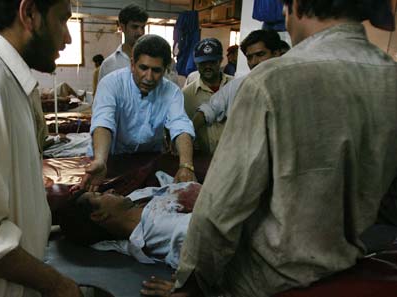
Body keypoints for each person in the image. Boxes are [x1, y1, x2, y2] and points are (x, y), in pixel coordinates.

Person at [142, 0, 397, 296]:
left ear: (296, 6)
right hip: (348, 268)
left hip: (266, 280)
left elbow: (220, 208)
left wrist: (192, 281)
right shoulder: (390, 77)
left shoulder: (272, 81)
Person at [0, 0, 83, 297]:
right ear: (30, 14)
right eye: (62, 20)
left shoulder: (8, 81)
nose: (69, 37)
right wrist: (59, 286)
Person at [83, 34, 196, 192]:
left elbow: (181, 125)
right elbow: (103, 121)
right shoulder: (111, 84)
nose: (148, 77)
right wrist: (101, 160)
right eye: (143, 68)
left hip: (148, 159)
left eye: (156, 70)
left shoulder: (172, 92)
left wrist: (186, 165)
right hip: (111, 159)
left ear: (165, 70)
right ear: (132, 65)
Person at [62, 181, 202, 269]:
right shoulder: (158, 230)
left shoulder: (136, 197)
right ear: (98, 215)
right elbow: (204, 229)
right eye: (99, 194)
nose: (110, 191)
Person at [192, 30, 281, 137]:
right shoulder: (237, 86)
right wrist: (187, 133)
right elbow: (208, 109)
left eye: (260, 54)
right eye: (249, 57)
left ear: (276, 54)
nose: (254, 62)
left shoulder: (292, 86)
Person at [182, 38, 233, 154]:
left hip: (233, 157)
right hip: (202, 160)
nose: (208, 66)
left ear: (220, 61)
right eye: (203, 63)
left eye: (212, 62)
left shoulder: (235, 87)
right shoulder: (186, 96)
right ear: (196, 63)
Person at [98, 4, 148, 81]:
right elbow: (103, 92)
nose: (140, 33)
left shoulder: (152, 61)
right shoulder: (108, 65)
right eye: (135, 27)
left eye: (142, 27)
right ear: (122, 27)